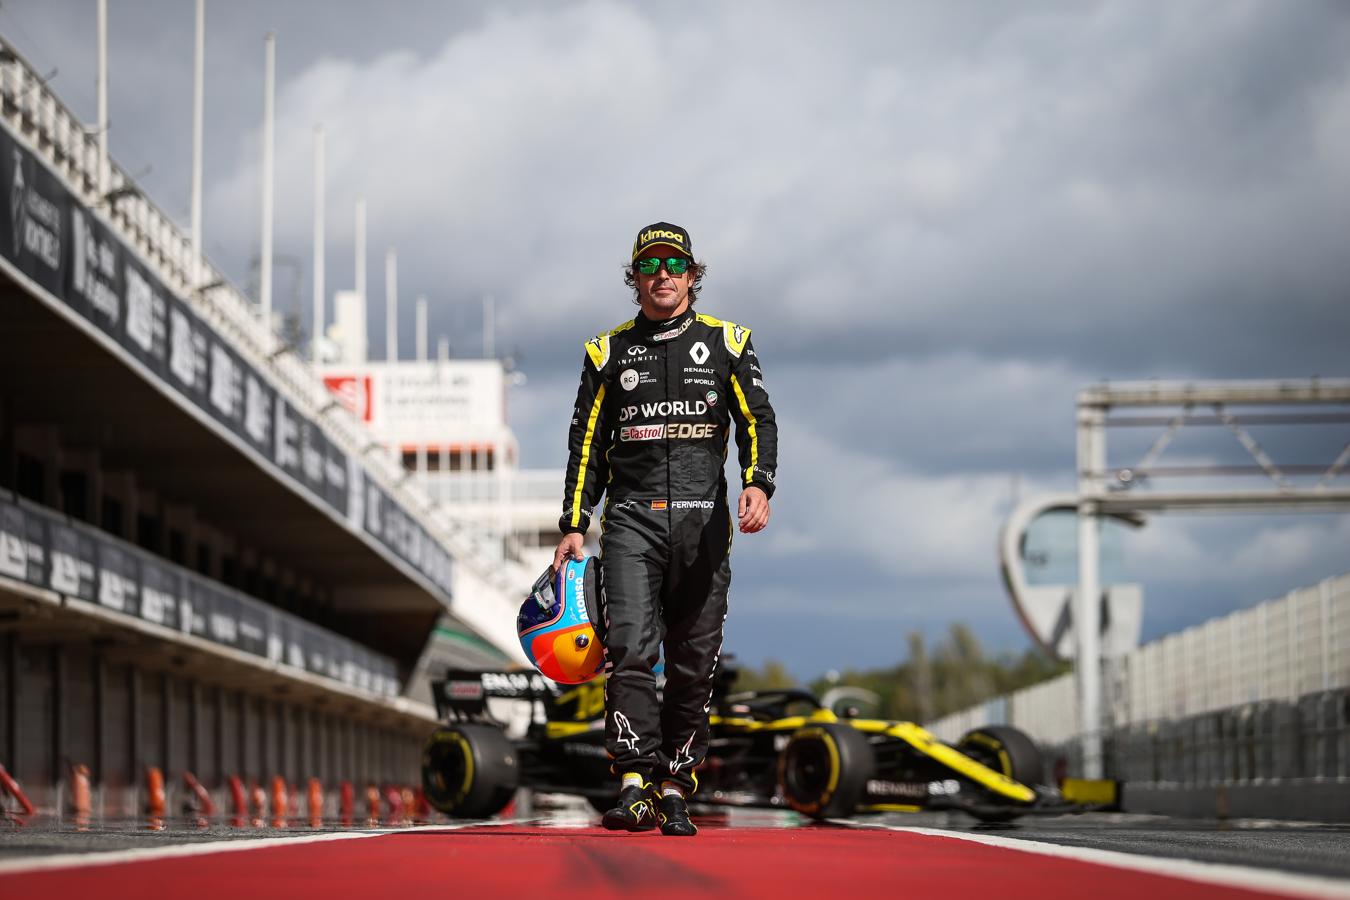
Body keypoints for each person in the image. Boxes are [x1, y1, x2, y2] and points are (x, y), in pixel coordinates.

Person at [554, 222, 777, 837]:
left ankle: (677, 784)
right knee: (629, 648)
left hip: (704, 527)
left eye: (674, 264)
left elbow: (758, 419)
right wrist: (575, 523)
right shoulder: (606, 352)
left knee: (693, 662)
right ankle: (633, 783)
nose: (662, 274)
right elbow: (587, 447)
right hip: (630, 522)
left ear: (692, 274)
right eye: (650, 265)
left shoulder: (729, 342)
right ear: (635, 277)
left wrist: (758, 482)